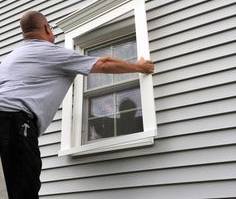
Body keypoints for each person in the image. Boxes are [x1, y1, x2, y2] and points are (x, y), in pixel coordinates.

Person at [0, 11, 154, 199]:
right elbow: (104, 64)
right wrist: (139, 67)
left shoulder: (10, 59)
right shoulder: (51, 53)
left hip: (7, 120)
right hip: (13, 123)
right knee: (23, 189)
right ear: (47, 28)